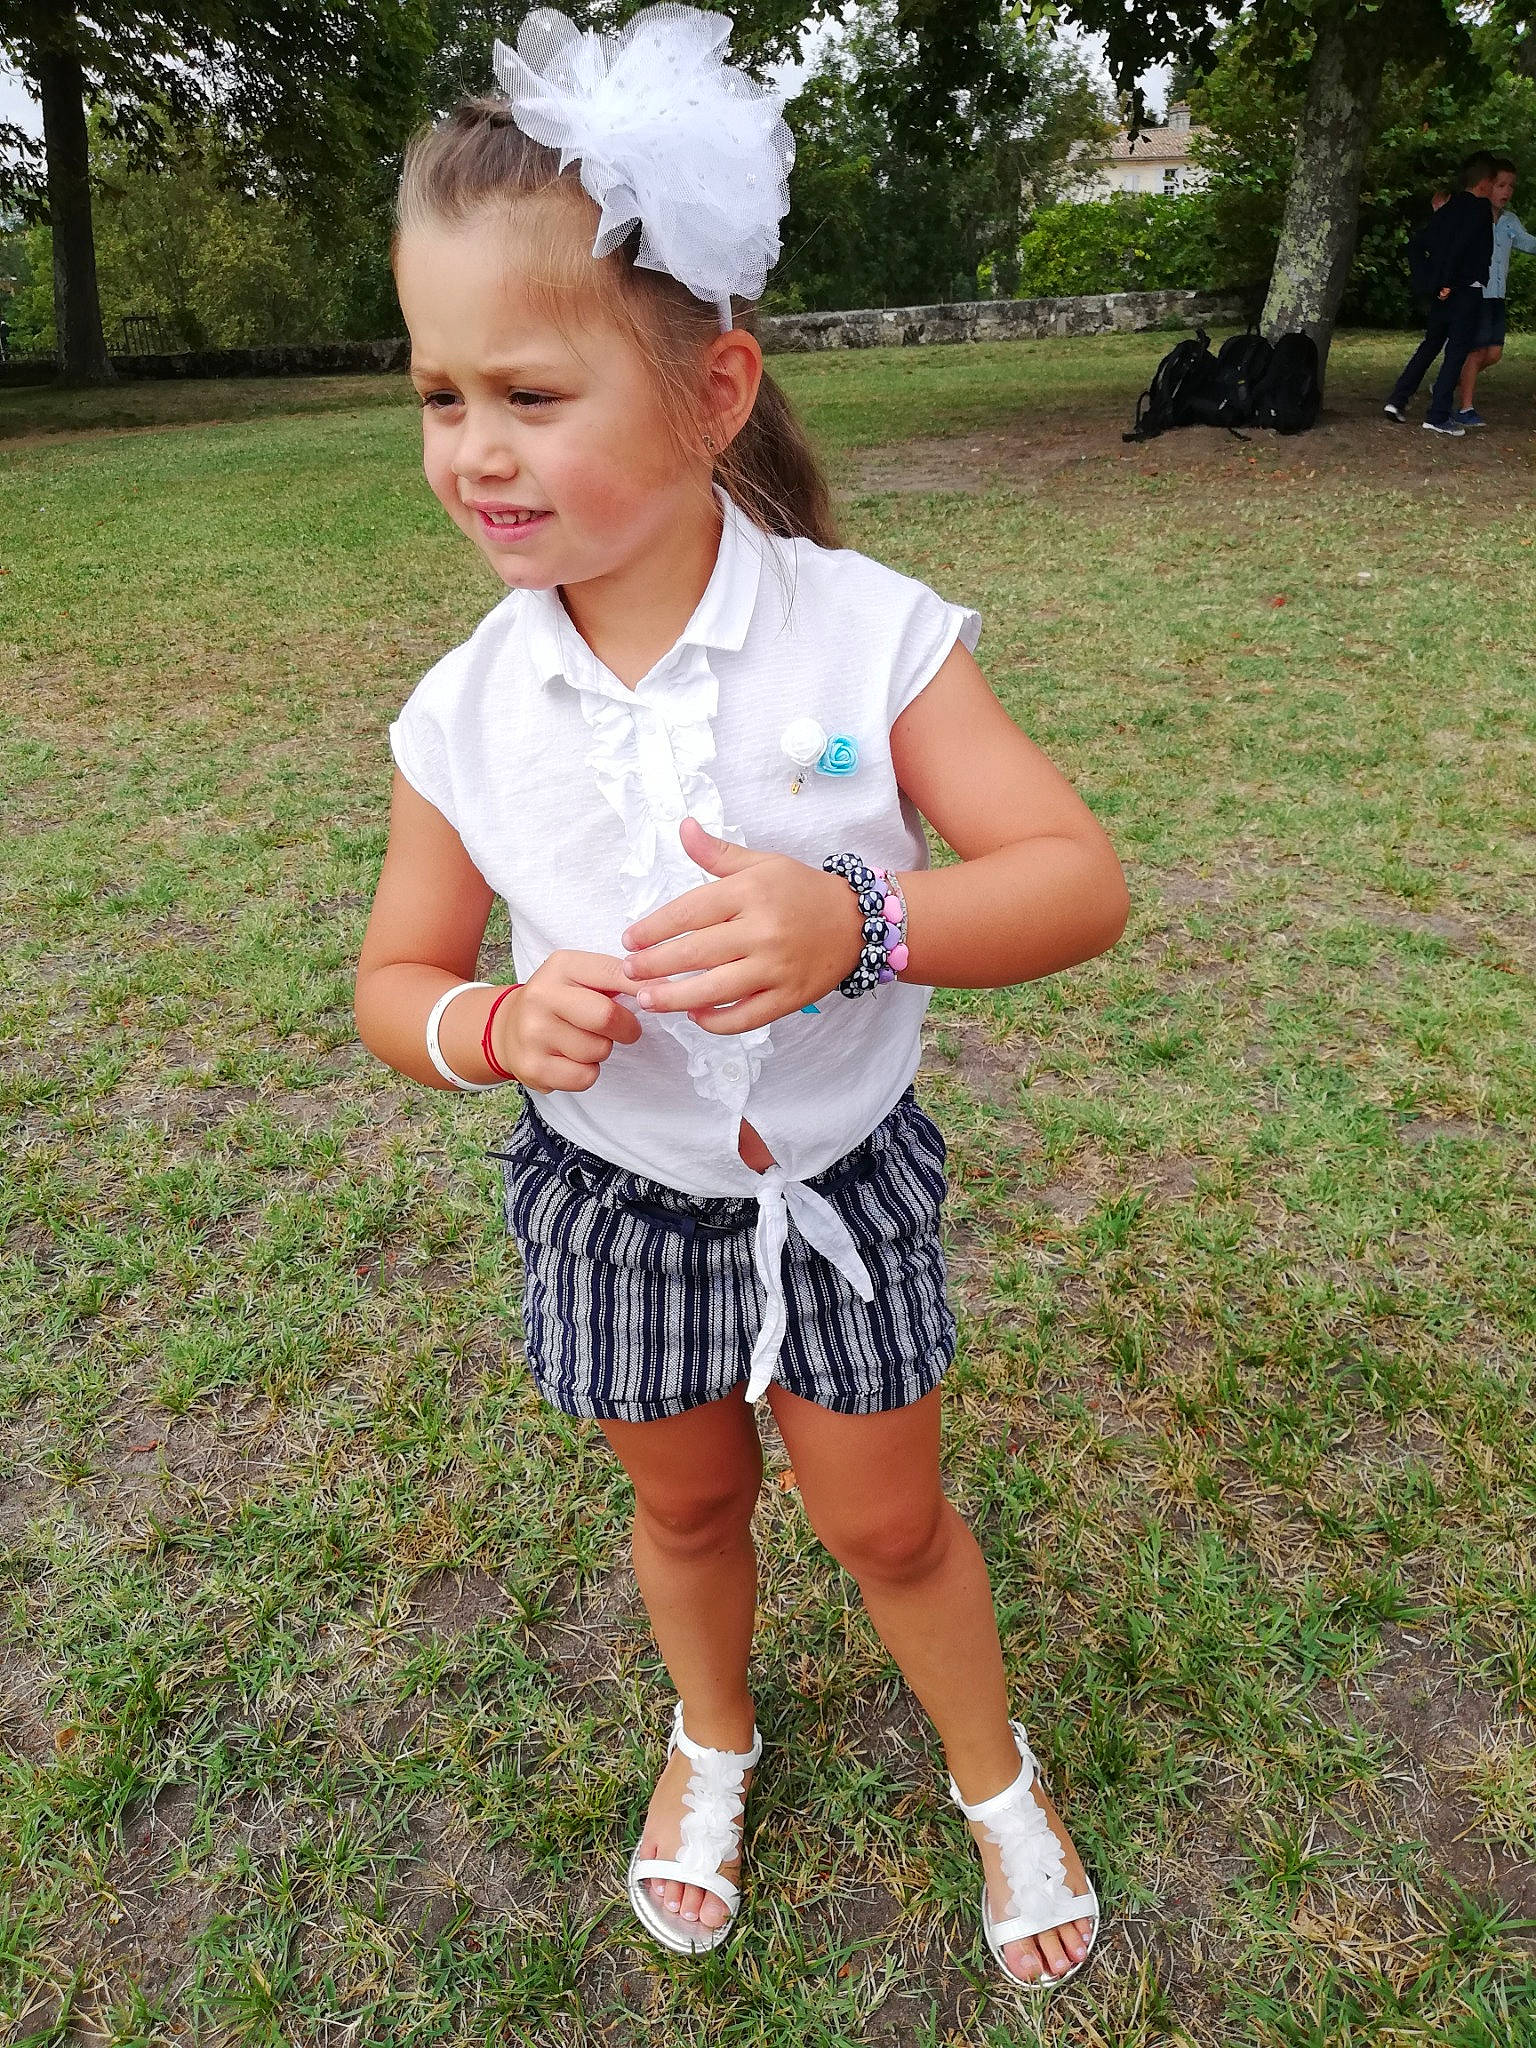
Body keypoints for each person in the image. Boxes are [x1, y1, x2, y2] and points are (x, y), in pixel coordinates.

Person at [354, 2, 1128, 1998]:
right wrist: (486, 1028)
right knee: (687, 1501)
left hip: (840, 1188)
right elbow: (396, 978)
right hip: (614, 1197)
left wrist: (856, 916)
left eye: (529, 391)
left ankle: (994, 1777)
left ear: (715, 390)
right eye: (439, 394)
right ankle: (712, 1734)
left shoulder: (863, 638)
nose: (474, 449)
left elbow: (1075, 879)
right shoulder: (462, 713)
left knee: (888, 1523)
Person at [1384, 151, 1498, 434]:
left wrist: (1430, 282)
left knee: (1431, 343)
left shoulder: (1449, 209)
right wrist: (1449, 281)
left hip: (1442, 291)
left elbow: (1419, 244)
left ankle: (1398, 399)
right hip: (1465, 290)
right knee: (1456, 351)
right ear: (1484, 183)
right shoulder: (1479, 210)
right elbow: (1461, 247)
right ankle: (1437, 414)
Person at [1454, 157, 1536, 426]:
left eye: (1511, 186)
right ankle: (1465, 409)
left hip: (1497, 296)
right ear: (1486, 185)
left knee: (1494, 354)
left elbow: (1528, 243)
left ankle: (1451, 378)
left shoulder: (1510, 221)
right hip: (1476, 293)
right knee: (1477, 351)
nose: (1507, 191)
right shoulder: (1473, 216)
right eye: (1501, 185)